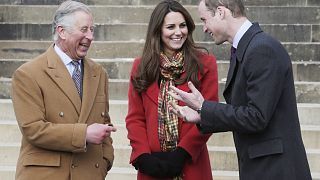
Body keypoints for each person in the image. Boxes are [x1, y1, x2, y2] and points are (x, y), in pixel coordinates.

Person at [169, 0, 312, 179]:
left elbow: (256, 116)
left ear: (221, 12)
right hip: (263, 166)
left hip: (275, 170)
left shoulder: (261, 49)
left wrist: (204, 107)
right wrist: (202, 114)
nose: (204, 28)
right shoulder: (248, 47)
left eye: (204, 20)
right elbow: (245, 112)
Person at [11, 1, 117, 180]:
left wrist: (106, 159)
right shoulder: (28, 74)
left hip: (89, 173)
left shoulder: (99, 73)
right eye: (84, 29)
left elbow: (104, 120)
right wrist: (83, 134)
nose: (90, 36)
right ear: (62, 31)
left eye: (92, 29)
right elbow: (33, 129)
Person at [125, 0, 219, 179]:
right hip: (152, 166)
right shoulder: (141, 66)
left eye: (182, 25)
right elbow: (135, 117)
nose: (178, 32)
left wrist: (182, 152)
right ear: (158, 30)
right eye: (170, 27)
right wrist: (143, 156)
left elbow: (210, 115)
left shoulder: (205, 64)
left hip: (191, 163)